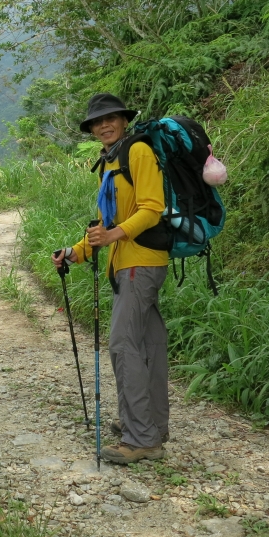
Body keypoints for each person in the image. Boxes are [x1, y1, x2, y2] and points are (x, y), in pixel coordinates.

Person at [50, 93, 170, 464]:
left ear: (123, 120)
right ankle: (151, 426)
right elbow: (105, 223)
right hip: (126, 264)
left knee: (122, 346)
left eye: (110, 118)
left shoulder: (137, 152)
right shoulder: (109, 162)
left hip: (140, 263)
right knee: (149, 346)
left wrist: (114, 236)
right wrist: (76, 251)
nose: (103, 125)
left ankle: (141, 439)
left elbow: (153, 208)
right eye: (97, 122)